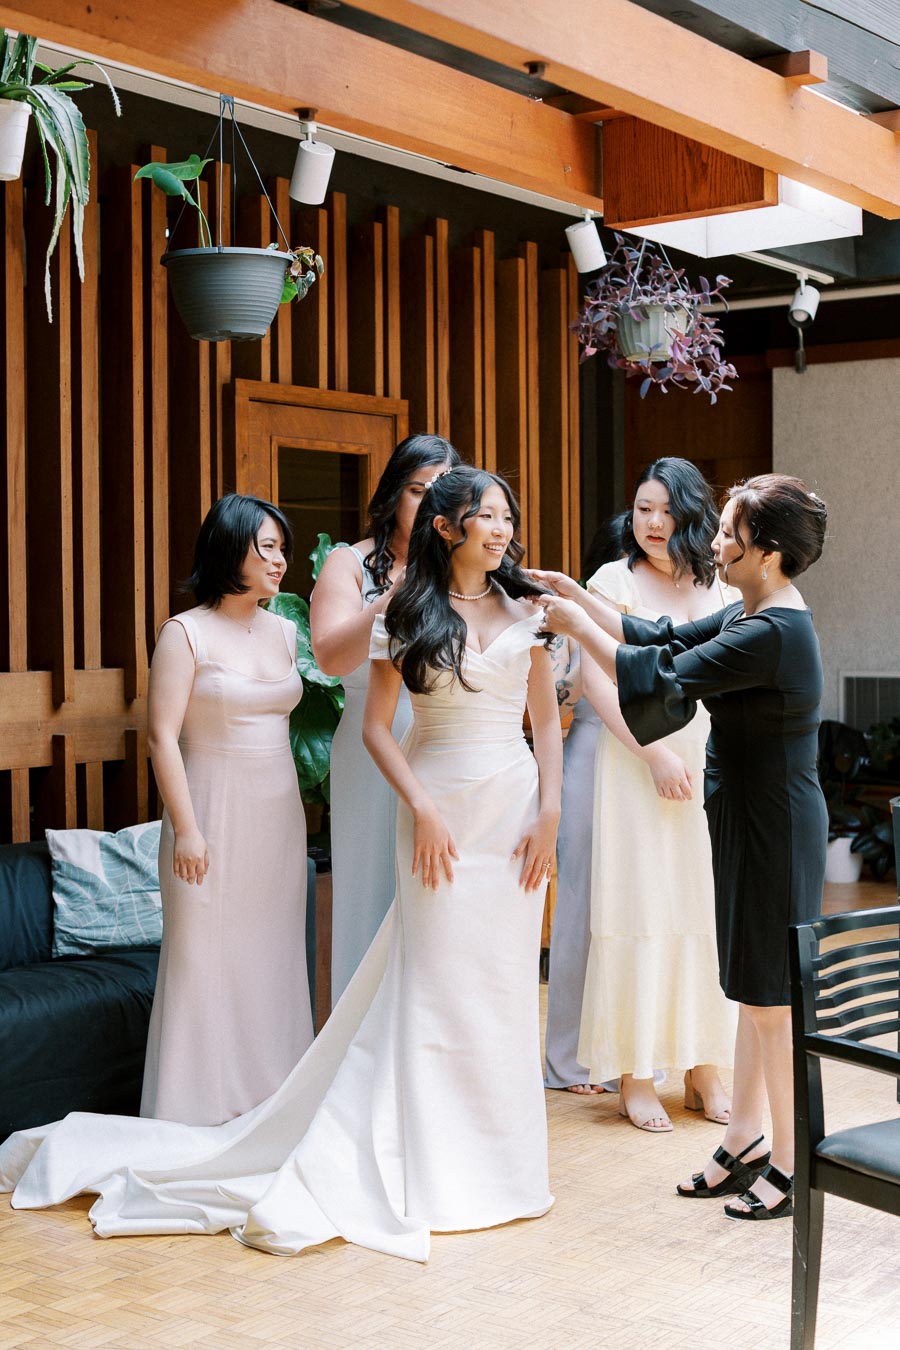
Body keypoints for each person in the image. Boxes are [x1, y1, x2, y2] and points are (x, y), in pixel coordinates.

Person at [0, 466, 561, 1262]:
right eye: (485, 515)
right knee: (421, 983)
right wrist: (419, 807)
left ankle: (494, 1162)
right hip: (355, 804)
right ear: (447, 526)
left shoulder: (517, 613)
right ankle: (371, 1152)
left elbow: (545, 717)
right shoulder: (226, 627)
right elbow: (351, 725)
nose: (501, 528)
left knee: (493, 988)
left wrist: (550, 812)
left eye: (508, 514)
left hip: (452, 812)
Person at [536, 474, 828, 1220]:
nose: (717, 542)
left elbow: (660, 676)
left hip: (773, 825)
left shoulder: (771, 631)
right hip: (745, 817)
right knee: (751, 991)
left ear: (766, 552)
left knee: (772, 1003)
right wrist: (580, 593)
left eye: (730, 533)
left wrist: (574, 627)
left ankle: (791, 1166)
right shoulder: (753, 612)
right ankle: (743, 1142)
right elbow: (656, 634)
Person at [577, 460, 738, 1132]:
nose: (651, 523)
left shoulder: (723, 585)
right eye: (643, 508)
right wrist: (652, 753)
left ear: (692, 515)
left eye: (665, 510)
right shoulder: (610, 583)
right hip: (636, 762)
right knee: (638, 899)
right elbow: (594, 677)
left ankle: (705, 1066)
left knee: (702, 903)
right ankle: (634, 1073)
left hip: (708, 762)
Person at [142, 494, 312, 1126]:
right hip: (207, 807)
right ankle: (195, 1115)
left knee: (269, 960)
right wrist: (187, 829)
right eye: (265, 546)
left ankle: (269, 1110)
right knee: (203, 962)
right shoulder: (184, 632)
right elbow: (162, 735)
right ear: (227, 549)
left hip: (278, 813)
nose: (279, 560)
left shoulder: (288, 630)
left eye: (282, 548)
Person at [311, 434, 460, 1005]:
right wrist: (391, 596)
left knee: (435, 893)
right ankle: (359, 1049)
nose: (427, 505)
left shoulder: (463, 566)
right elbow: (328, 655)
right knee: (373, 891)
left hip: (446, 740)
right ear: (395, 493)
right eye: (418, 490)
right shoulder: (350, 562)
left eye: (441, 494)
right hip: (372, 746)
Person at [544, 513, 626, 1095]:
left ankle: (629, 1050)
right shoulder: (579, 614)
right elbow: (558, 695)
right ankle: (569, 1057)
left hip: (647, 766)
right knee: (577, 912)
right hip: (591, 757)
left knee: (632, 912)